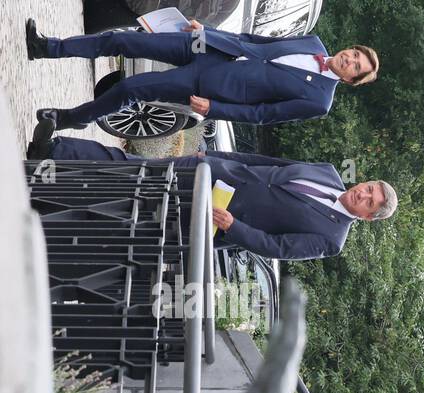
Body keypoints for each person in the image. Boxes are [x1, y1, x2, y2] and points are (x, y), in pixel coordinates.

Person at [30, 133, 397, 261]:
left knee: (131, 210)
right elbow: (266, 162)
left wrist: (235, 227)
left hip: (212, 218)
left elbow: (278, 247)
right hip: (213, 172)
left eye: (368, 200)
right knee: (134, 168)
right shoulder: (329, 171)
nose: (362, 192)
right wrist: (218, 157)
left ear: (367, 216)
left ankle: (47, 202)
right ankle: (55, 151)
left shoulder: (332, 239)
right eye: (368, 187)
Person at [26, 17, 378, 130]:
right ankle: (48, 48)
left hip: (211, 85)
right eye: (355, 53)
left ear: (350, 80)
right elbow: (253, 39)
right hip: (209, 47)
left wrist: (215, 109)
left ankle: (70, 118)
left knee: (131, 88)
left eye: (356, 67)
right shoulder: (313, 40)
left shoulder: (319, 100)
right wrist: (207, 29)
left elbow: (263, 114)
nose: (350, 59)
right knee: (124, 40)